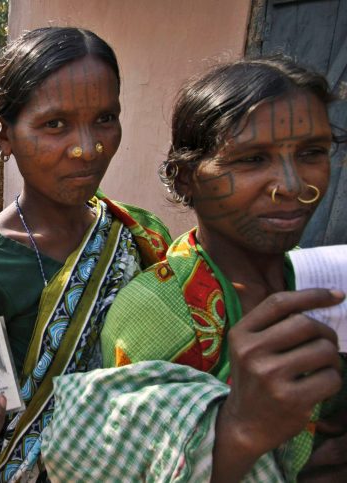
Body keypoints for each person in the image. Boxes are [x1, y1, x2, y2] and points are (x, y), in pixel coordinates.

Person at [41, 58, 347, 481]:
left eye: (312, 152)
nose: (293, 185)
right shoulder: (161, 315)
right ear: (186, 178)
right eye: (253, 159)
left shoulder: (322, 280)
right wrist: (239, 434)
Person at [0, 27, 171, 481]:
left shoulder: (130, 231)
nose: (88, 147)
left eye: (105, 118)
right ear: (4, 137)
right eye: (55, 125)